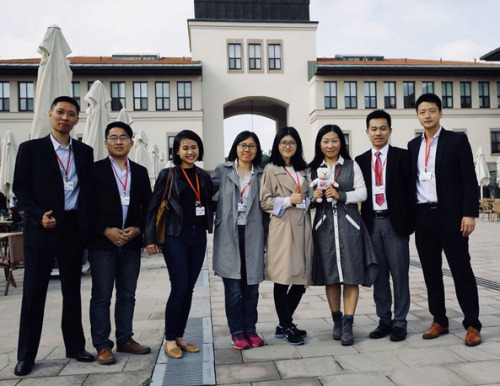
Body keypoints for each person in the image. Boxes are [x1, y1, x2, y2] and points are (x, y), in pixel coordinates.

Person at [12, 96, 94, 376]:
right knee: (34, 294)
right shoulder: (30, 149)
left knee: (72, 291)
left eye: (71, 114)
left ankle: (75, 346)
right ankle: (26, 356)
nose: (65, 118)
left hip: (71, 229)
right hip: (41, 227)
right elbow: (21, 189)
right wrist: (37, 215)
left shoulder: (85, 152)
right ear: (50, 114)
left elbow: (86, 191)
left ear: (76, 119)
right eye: (60, 112)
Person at [408, 93, 482, 346]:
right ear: (417, 116)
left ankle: (472, 324)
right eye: (422, 112)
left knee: (461, 270)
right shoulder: (413, 146)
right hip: (423, 217)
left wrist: (469, 213)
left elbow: (469, 180)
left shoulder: (457, 140)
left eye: (431, 111)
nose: (427, 115)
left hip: (451, 217)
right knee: (430, 272)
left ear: (441, 113)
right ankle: (439, 319)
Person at [87, 121, 152, 365]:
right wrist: (105, 230)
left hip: (131, 244)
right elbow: (86, 207)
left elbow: (148, 207)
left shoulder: (141, 171)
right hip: (103, 244)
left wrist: (140, 229)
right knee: (102, 296)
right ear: (106, 143)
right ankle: (103, 345)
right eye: (113, 137)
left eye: (123, 137)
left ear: (131, 143)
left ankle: (125, 338)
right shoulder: (94, 171)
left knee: (127, 295)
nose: (118, 141)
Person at [144, 130, 213, 359]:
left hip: (198, 237)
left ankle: (180, 336)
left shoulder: (203, 176)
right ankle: (170, 338)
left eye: (194, 147)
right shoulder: (169, 174)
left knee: (189, 289)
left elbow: (210, 203)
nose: (190, 152)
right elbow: (153, 207)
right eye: (185, 148)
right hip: (175, 236)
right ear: (177, 151)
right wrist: (150, 238)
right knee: (179, 287)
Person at [309, 124, 377, 346]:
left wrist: (341, 195)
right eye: (326, 141)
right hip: (324, 228)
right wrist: (314, 196)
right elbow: (304, 197)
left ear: (341, 143)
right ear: (319, 143)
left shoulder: (351, 165)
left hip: (349, 226)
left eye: (335, 140)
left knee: (350, 274)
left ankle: (348, 324)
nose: (330, 145)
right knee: (331, 275)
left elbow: (363, 193)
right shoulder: (312, 169)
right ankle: (336, 320)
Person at [355, 110, 413, 342]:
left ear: (390, 130)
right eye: (374, 129)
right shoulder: (360, 161)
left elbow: (411, 192)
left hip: (395, 224)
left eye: (383, 128)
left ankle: (400, 322)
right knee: (378, 275)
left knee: (400, 275)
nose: (378, 132)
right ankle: (384, 320)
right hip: (371, 224)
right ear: (367, 132)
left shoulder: (403, 157)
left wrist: (409, 224)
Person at [212, 131, 266, 350]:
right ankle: (236, 332)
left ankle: (250, 329)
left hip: (253, 233)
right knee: (233, 288)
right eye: (243, 145)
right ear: (236, 147)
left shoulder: (262, 175)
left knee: (251, 286)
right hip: (228, 234)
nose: (247, 150)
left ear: (257, 150)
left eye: (252, 146)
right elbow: (204, 195)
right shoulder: (222, 171)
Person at [260, 127, 312, 346]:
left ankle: (284, 324)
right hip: (282, 226)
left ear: (297, 145)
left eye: (291, 142)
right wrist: (289, 200)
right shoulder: (271, 169)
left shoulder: (304, 169)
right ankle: (286, 324)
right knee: (283, 278)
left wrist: (308, 199)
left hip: (303, 224)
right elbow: (265, 202)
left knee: (302, 278)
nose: (287, 146)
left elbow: (307, 197)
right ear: (277, 145)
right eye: (283, 142)